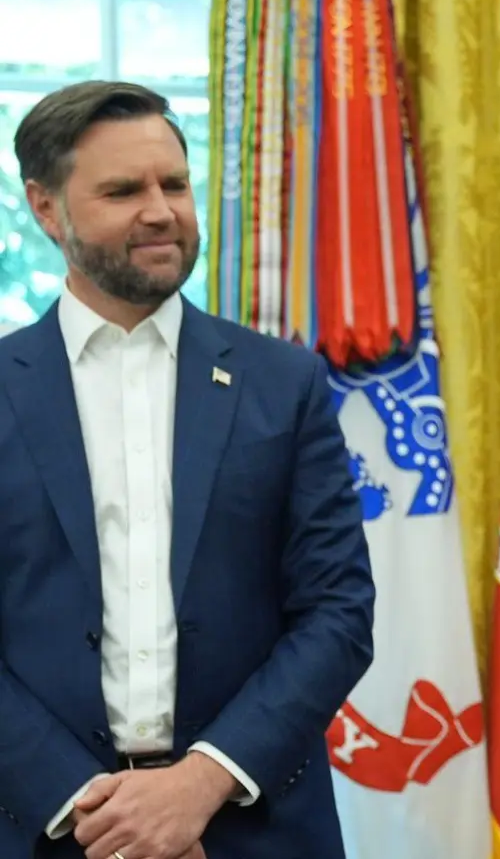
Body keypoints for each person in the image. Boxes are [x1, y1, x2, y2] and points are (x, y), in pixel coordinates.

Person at [0, 81, 375, 858]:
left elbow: (337, 613)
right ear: (45, 208)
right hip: (41, 826)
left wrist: (198, 785)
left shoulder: (285, 384)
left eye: (174, 183)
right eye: (122, 190)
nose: (161, 210)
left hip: (252, 825)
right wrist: (90, 809)